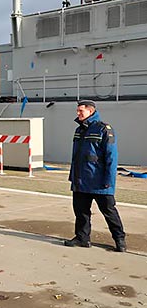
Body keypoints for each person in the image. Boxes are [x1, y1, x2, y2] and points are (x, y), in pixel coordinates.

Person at [64, 100, 126, 252]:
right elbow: (76, 157)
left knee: (109, 212)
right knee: (81, 212)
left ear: (90, 112)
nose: (78, 114)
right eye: (77, 111)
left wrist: (109, 182)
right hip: (81, 181)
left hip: (99, 182)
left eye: (81, 111)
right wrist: (73, 178)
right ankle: (82, 238)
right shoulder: (79, 130)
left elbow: (111, 157)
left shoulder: (104, 129)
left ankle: (120, 240)